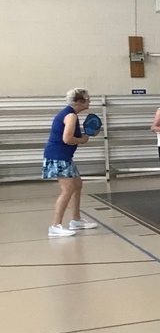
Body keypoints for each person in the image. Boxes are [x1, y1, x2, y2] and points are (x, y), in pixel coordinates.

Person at [43, 88, 99, 237]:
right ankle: (55, 226)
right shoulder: (70, 116)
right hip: (58, 156)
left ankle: (76, 220)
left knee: (77, 185)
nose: (90, 101)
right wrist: (82, 140)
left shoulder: (71, 114)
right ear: (80, 101)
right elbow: (67, 139)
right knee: (67, 189)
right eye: (87, 99)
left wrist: (86, 135)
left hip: (65, 157)